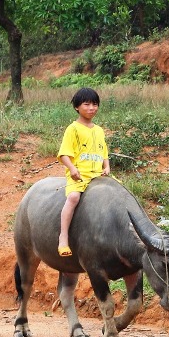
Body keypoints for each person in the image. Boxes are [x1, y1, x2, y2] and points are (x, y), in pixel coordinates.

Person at [57, 87, 110, 257]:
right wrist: (72, 169)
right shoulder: (72, 129)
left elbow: (104, 152)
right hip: (80, 174)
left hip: (97, 175)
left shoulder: (99, 130)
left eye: (95, 104)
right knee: (73, 198)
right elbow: (64, 154)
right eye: (86, 104)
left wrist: (107, 167)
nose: (91, 108)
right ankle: (63, 237)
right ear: (76, 107)